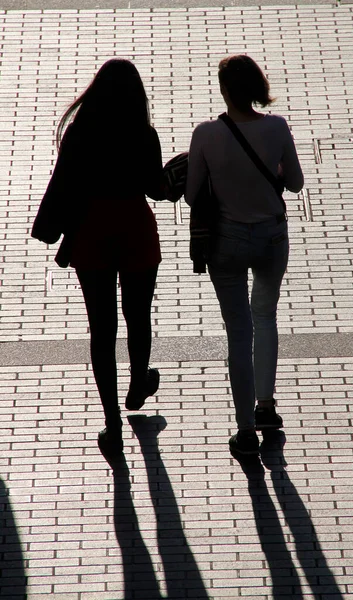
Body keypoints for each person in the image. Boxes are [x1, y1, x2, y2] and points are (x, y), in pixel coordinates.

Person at [32, 58, 168, 458]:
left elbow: (63, 183)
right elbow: (155, 189)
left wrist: (49, 227)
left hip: (91, 233)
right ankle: (138, 383)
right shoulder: (144, 134)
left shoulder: (79, 133)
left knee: (102, 329)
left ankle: (111, 422)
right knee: (138, 315)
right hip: (135, 229)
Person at [185, 55, 304, 456]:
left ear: (224, 90)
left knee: (239, 331)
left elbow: (190, 194)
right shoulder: (277, 127)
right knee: (265, 315)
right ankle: (267, 405)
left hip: (227, 241)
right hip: (271, 236)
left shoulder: (206, 134)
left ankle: (245, 429)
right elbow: (297, 183)